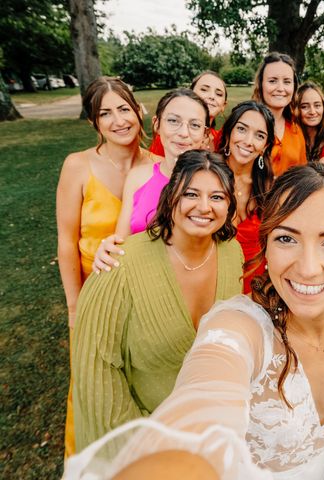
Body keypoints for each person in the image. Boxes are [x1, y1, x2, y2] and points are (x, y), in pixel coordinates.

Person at [66, 163, 324, 480]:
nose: (309, 268)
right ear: (266, 246)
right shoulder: (238, 327)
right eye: (287, 238)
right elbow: (207, 388)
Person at [72, 150, 244, 450]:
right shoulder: (118, 265)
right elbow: (97, 374)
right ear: (170, 196)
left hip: (213, 434)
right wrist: (147, 444)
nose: (204, 207)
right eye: (191, 193)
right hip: (143, 440)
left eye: (217, 197)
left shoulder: (232, 253)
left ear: (230, 205)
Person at [56, 76, 154, 457]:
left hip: (142, 301)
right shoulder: (77, 166)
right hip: (94, 297)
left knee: (134, 388)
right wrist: (74, 307)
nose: (118, 121)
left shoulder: (158, 166)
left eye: (124, 109)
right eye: (105, 114)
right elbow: (66, 243)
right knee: (90, 388)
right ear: (94, 123)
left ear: (138, 110)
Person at [92, 88, 210, 273]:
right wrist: (107, 250)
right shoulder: (138, 177)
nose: (184, 133)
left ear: (205, 135)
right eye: (173, 121)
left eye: (194, 125)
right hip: (141, 281)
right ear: (157, 124)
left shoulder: (215, 183)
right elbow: (121, 243)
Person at [218, 100, 276, 292]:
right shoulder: (206, 176)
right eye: (242, 129)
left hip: (255, 288)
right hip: (212, 282)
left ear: (266, 146)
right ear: (229, 132)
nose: (248, 141)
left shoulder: (269, 188)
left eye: (259, 135)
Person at [253, 52, 306, 175]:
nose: (280, 88)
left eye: (287, 82)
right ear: (261, 85)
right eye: (272, 81)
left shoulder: (296, 130)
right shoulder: (244, 123)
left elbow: (302, 177)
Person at [150, 72, 227, 155]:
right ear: (190, 94)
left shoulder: (220, 139)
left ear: (224, 105)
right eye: (204, 89)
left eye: (219, 94)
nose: (212, 96)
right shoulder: (170, 136)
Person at [295, 81, 324, 162]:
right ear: (296, 109)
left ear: (323, 107)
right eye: (305, 107)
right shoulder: (290, 140)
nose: (312, 112)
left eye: (317, 105)